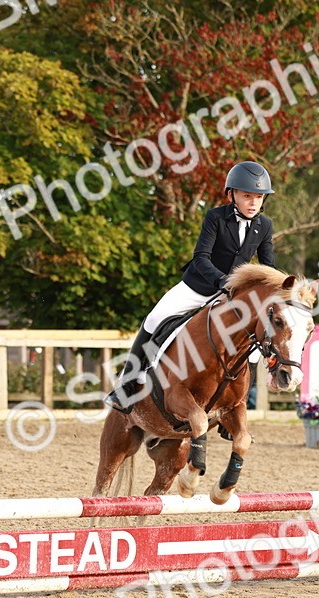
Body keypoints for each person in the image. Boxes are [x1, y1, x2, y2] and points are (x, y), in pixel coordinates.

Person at [105, 160, 276, 413]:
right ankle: (127, 385)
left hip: (230, 297)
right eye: (247, 196)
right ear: (232, 195)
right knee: (155, 318)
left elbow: (268, 268)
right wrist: (221, 281)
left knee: (251, 340)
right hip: (198, 287)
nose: (253, 203)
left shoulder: (265, 226)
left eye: (258, 197)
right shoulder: (216, 217)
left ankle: (236, 402)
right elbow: (201, 258)